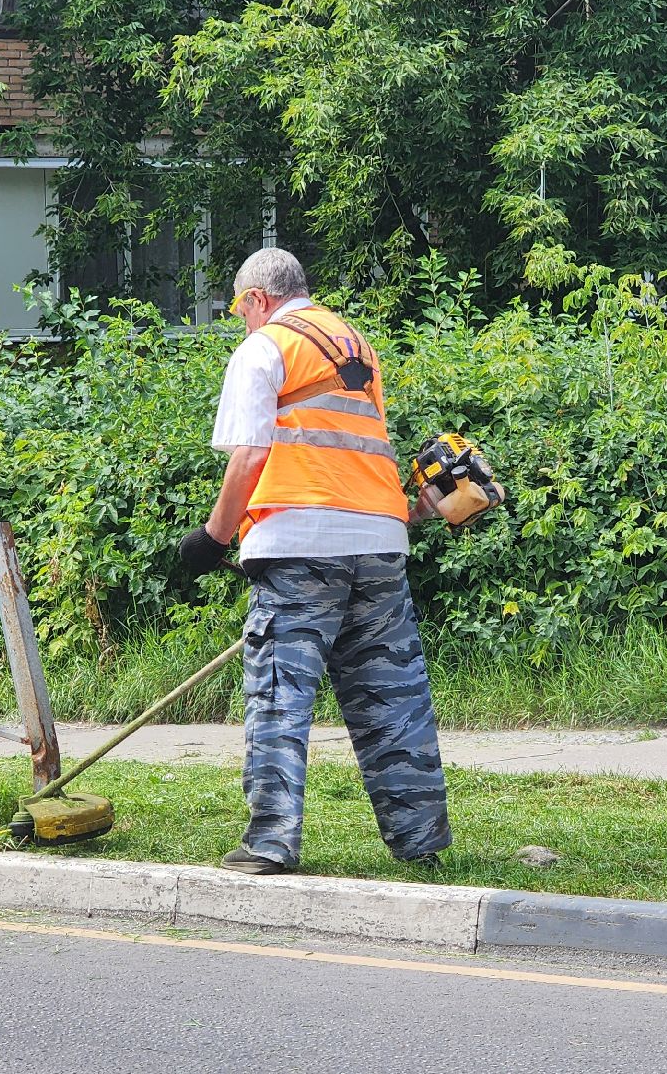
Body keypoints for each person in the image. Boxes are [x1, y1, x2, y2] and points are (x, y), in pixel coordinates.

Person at [179, 247, 452, 873]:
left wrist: (213, 539)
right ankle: (421, 844)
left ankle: (271, 842)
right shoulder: (354, 345)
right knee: (394, 694)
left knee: (281, 695)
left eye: (239, 309)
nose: (241, 322)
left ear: (256, 299)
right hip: (380, 542)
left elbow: (249, 456)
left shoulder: (265, 346)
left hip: (299, 545)